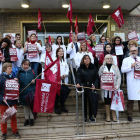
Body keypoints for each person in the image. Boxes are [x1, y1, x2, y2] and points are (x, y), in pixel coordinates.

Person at [0, 63, 21, 140]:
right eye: (9, 68)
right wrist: (1, 98)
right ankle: (4, 133)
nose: (11, 70)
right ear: (5, 69)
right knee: (4, 118)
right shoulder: (1, 78)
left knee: (13, 117)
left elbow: (16, 89)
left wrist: (17, 82)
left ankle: (15, 132)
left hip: (12, 102)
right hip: (4, 102)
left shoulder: (13, 77)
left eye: (11, 68)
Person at [76, 55, 99, 123]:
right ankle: (85, 117)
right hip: (84, 87)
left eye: (88, 59)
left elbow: (96, 78)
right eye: (85, 59)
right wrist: (78, 83)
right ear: (83, 60)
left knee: (92, 102)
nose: (87, 60)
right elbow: (78, 76)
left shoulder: (93, 67)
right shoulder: (80, 68)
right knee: (84, 103)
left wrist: (95, 85)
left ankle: (91, 117)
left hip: (91, 87)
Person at [99, 54, 121, 122]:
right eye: (108, 58)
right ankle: (108, 116)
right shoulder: (102, 67)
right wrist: (103, 73)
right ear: (105, 59)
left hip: (114, 88)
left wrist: (117, 86)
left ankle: (114, 116)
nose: (109, 60)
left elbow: (119, 77)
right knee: (107, 101)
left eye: (110, 58)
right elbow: (99, 76)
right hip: (105, 88)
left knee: (113, 101)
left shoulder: (115, 67)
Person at [121, 46, 140, 121]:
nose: (133, 52)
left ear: (137, 51)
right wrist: (130, 66)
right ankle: (129, 115)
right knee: (130, 99)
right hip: (131, 82)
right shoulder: (126, 60)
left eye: (134, 50)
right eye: (131, 51)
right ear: (129, 52)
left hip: (139, 81)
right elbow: (122, 70)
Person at [16, 59, 37, 126]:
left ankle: (31, 119)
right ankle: (26, 119)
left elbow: (37, 79)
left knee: (31, 106)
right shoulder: (19, 72)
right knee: (25, 106)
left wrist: (34, 81)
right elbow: (16, 80)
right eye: (24, 65)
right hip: (23, 91)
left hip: (31, 91)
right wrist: (16, 80)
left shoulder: (33, 71)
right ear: (22, 65)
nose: (26, 66)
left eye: (27, 65)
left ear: (29, 65)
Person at [54, 47, 69, 114]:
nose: (61, 52)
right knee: (57, 95)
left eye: (62, 51)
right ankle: (56, 108)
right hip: (57, 80)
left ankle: (62, 106)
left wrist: (65, 75)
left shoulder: (64, 61)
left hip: (64, 80)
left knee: (63, 94)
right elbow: (53, 70)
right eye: (59, 51)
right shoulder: (54, 61)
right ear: (57, 53)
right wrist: (59, 76)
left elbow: (67, 69)